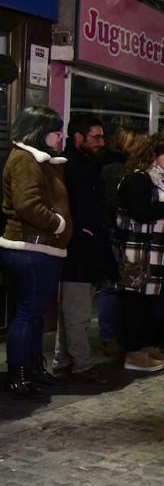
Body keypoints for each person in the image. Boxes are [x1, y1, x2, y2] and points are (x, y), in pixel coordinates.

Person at [1, 107, 73, 401]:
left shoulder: (36, 160)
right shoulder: (26, 160)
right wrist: (57, 224)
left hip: (40, 247)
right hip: (32, 247)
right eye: (57, 131)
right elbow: (27, 204)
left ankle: (31, 368)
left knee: (33, 313)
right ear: (40, 131)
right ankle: (19, 373)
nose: (60, 137)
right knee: (29, 312)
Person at [113, 131, 164, 371]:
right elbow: (141, 211)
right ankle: (133, 350)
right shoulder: (139, 179)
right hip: (138, 250)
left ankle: (143, 345)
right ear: (154, 155)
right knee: (136, 300)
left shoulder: (163, 179)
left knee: (148, 301)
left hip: (155, 249)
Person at [52, 113, 109, 384]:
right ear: (78, 138)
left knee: (71, 310)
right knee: (78, 311)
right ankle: (81, 365)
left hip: (79, 246)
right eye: (95, 137)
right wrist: (84, 233)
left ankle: (63, 361)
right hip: (76, 249)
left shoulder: (85, 166)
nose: (101, 142)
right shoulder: (71, 168)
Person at [96, 125, 147, 356]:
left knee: (117, 284)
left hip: (115, 231)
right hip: (113, 233)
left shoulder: (115, 167)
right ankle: (108, 336)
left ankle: (112, 335)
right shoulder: (115, 169)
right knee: (112, 285)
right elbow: (112, 203)